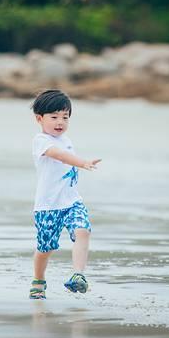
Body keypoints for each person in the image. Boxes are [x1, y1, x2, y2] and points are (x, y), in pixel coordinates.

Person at [29, 89, 101, 299]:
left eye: (65, 117)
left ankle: (78, 275)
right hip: (48, 206)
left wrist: (80, 162)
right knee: (45, 247)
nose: (60, 122)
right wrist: (83, 162)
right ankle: (38, 280)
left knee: (83, 231)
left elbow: (65, 154)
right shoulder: (40, 140)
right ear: (39, 119)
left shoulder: (66, 139)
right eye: (54, 117)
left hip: (71, 201)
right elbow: (59, 156)